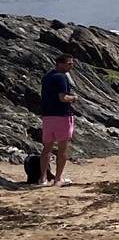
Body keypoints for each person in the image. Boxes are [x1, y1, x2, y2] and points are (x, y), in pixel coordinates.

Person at [39, 54, 77, 187]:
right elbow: (62, 97)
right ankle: (58, 179)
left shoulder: (48, 76)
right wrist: (74, 98)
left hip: (47, 116)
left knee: (47, 148)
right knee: (62, 149)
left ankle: (42, 178)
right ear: (60, 64)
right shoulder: (61, 77)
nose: (72, 66)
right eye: (69, 63)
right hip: (61, 116)